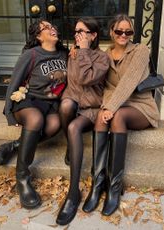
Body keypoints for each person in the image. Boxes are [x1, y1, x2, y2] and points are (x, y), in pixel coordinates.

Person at [82, 14, 160, 216]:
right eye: (119, 31)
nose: (123, 35)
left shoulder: (140, 50)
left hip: (140, 106)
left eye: (128, 31)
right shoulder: (105, 55)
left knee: (116, 117)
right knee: (101, 117)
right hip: (116, 104)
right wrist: (107, 107)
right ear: (111, 32)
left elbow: (129, 82)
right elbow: (106, 87)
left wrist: (111, 108)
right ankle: (98, 184)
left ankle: (114, 187)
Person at [3, 19, 68, 209]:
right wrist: (8, 112)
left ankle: (14, 146)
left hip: (51, 104)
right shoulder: (31, 54)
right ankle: (22, 178)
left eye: (52, 26)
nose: (52, 29)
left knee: (56, 125)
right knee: (36, 119)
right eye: (46, 28)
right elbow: (14, 82)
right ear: (38, 36)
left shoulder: (64, 54)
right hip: (29, 100)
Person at [56, 17, 110, 225]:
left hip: (92, 108)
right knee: (65, 105)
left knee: (73, 126)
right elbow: (73, 81)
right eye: (76, 31)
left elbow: (88, 79)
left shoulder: (102, 58)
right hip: (74, 102)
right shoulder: (74, 54)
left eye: (83, 31)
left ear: (93, 35)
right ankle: (71, 145)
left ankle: (73, 192)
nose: (78, 35)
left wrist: (84, 51)